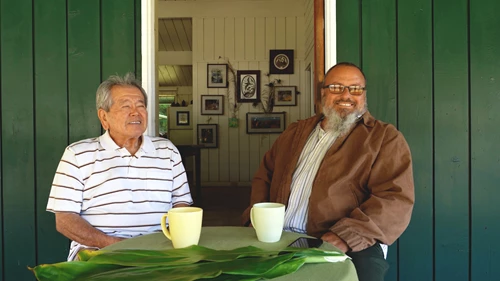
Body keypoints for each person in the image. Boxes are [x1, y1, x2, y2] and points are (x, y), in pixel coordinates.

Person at [242, 62, 414, 281]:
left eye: (355, 88)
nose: (346, 95)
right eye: (336, 87)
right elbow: (264, 176)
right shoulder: (295, 132)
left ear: (364, 95)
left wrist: (344, 237)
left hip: (351, 241)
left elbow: (395, 199)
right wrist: (256, 218)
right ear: (323, 93)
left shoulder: (384, 138)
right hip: (279, 235)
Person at [46, 73, 193, 261]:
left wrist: (172, 241)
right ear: (103, 117)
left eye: (141, 105)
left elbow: (181, 204)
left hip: (159, 250)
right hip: (99, 251)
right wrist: (115, 244)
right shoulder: (77, 154)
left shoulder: (167, 151)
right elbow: (65, 220)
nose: (135, 112)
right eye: (125, 106)